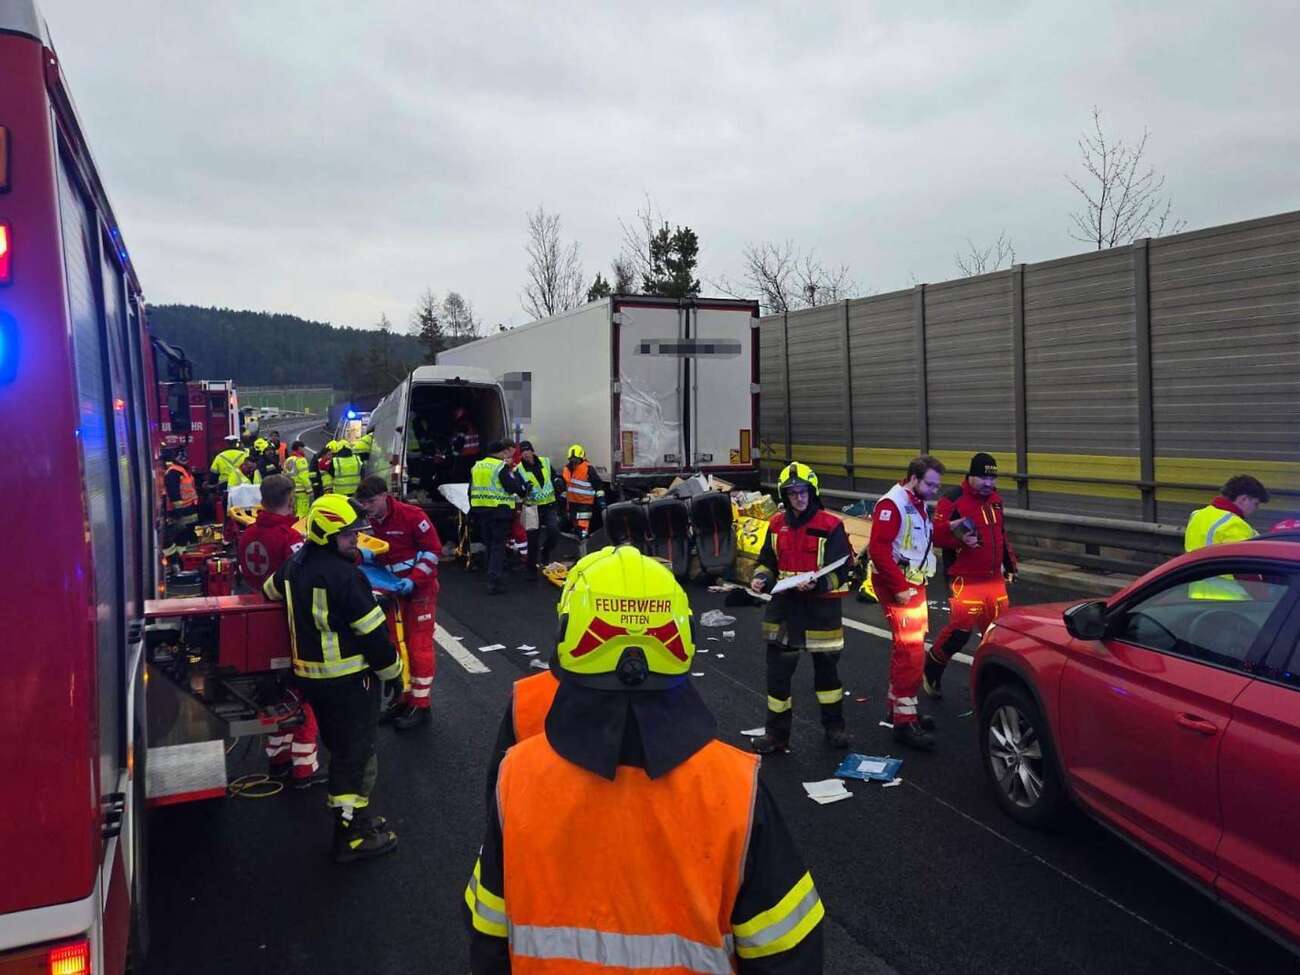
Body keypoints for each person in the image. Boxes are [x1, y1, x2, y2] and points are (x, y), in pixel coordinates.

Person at [465, 545, 825, 973]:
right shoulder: (735, 787)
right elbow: (788, 952)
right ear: (681, 640)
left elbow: (488, 934)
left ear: (570, 637)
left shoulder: (517, 776)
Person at [262, 495, 404, 863]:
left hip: (311, 680)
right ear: (326, 535)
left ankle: (356, 821)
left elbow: (269, 590)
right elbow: (374, 637)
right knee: (355, 755)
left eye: (356, 533)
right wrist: (394, 674)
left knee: (341, 750)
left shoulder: (296, 564)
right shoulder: (346, 576)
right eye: (347, 536)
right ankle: (351, 836)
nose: (354, 541)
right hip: (351, 681)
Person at [748, 463, 853, 754]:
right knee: (778, 679)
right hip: (784, 611)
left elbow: (843, 570)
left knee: (828, 678)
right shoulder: (775, 525)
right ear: (785, 495)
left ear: (812, 491)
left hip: (821, 612)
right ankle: (776, 736)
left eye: (803, 491)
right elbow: (767, 561)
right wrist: (760, 577)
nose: (799, 497)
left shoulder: (831, 526)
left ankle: (835, 729)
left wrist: (818, 586)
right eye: (793, 492)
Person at [238, 474, 322, 789]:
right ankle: (304, 770)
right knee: (302, 697)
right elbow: (304, 577)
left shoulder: (247, 535)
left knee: (274, 695)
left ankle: (277, 760)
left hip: (258, 618)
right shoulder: (289, 537)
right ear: (289, 499)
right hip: (290, 623)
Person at [925, 453, 1018, 700]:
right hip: (964, 579)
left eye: (993, 477)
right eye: (983, 477)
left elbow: (1001, 534)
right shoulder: (952, 500)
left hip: (993, 579)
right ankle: (931, 670)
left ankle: (991, 683)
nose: (989, 483)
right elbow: (934, 535)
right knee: (960, 632)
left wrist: (1010, 564)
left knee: (998, 633)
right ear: (971, 476)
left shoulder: (996, 500)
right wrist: (956, 536)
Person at [868, 455, 944, 751]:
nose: (935, 490)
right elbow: (879, 550)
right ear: (913, 477)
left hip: (913, 584)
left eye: (937, 485)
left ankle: (900, 709)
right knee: (911, 651)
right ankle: (904, 723)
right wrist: (899, 589)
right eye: (930, 484)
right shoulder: (893, 504)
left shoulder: (916, 502)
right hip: (901, 586)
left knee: (908, 647)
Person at [354, 476, 442, 730]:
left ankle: (421, 704)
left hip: (418, 590)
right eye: (363, 502)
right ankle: (403, 698)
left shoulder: (412, 516)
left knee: (418, 646)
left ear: (384, 496)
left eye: (371, 501)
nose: (367, 507)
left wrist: (414, 580)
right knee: (393, 646)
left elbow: (432, 551)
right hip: (388, 593)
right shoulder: (366, 521)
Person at [469, 440, 526, 595]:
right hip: (499, 511)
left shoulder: (477, 466)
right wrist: (522, 488)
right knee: (497, 546)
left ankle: (490, 575)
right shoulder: (500, 467)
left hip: (481, 510)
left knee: (489, 545)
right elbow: (510, 487)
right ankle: (494, 581)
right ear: (501, 452)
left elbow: (471, 489)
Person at [1184, 475, 1270, 552]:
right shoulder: (1235, 525)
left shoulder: (1197, 514)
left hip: (1192, 569)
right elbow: (1245, 561)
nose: (1256, 508)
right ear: (1243, 499)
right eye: (1256, 504)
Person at [516, 440, 561, 581]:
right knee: (532, 538)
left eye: (527, 451)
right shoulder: (519, 469)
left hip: (549, 505)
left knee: (554, 531)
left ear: (532, 451)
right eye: (522, 452)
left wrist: (558, 482)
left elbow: (553, 476)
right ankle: (531, 568)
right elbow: (518, 490)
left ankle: (546, 550)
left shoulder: (545, 462)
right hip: (532, 508)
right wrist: (524, 489)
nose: (525, 454)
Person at [561, 443, 605, 540]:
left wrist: (601, 501)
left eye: (576, 459)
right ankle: (579, 543)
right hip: (572, 504)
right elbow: (565, 484)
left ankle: (584, 542)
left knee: (583, 528)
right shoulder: (567, 469)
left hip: (585, 504)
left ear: (581, 458)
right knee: (575, 526)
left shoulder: (588, 469)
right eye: (572, 460)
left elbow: (598, 485)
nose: (574, 462)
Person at [161, 447, 199, 554]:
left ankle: (185, 556)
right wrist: (179, 512)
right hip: (181, 511)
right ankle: (179, 559)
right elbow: (174, 493)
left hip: (189, 509)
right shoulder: (173, 473)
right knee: (181, 536)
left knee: (187, 535)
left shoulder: (183, 471)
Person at [283, 440, 314, 518]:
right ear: (299, 448)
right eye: (303, 448)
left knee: (293, 512)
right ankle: (300, 529)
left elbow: (284, 475)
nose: (304, 450)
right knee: (302, 513)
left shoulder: (287, 460)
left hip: (291, 490)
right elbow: (304, 477)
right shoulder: (301, 460)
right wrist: (310, 491)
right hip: (301, 491)